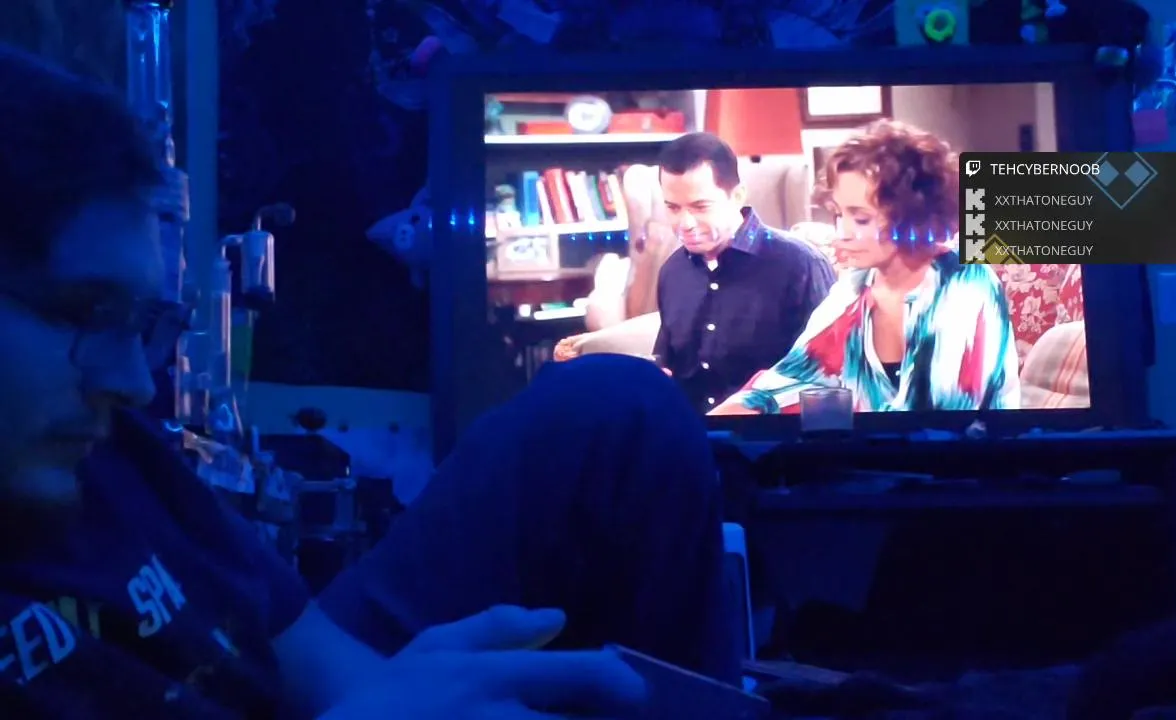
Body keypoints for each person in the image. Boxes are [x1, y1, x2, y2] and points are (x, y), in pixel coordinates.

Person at [0, 44, 736, 717]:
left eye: (139, 325)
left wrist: (397, 693)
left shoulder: (111, 452)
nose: (132, 383)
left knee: (616, 407)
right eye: (85, 311)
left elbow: (316, 661)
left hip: (288, 689)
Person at [709, 121, 1020, 414]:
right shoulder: (854, 288)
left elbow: (941, 415)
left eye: (860, 219)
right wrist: (730, 416)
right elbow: (794, 378)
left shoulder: (966, 284)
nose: (842, 232)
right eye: (838, 214)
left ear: (912, 215)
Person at [651, 132, 836, 412]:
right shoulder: (672, 271)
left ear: (737, 196)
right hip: (690, 431)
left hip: (772, 432)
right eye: (673, 208)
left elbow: (828, 378)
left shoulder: (800, 265)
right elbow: (667, 363)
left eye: (700, 207)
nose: (685, 223)